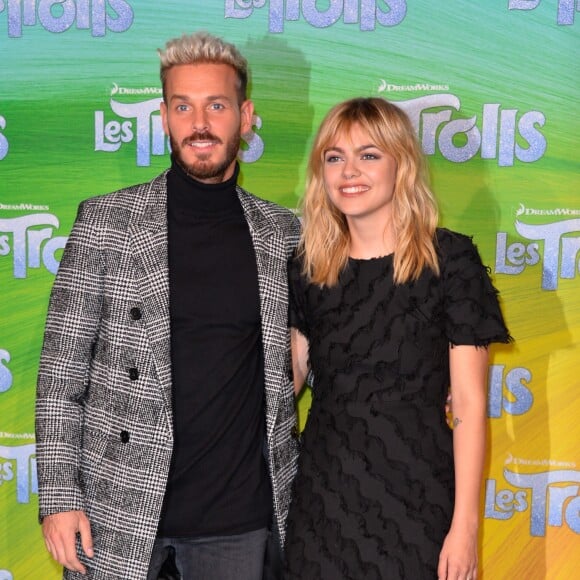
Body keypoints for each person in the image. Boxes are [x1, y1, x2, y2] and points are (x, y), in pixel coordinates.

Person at [35, 31, 300, 580]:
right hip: (119, 512)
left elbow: (325, 344)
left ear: (245, 117)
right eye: (183, 106)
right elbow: (62, 375)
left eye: (216, 106)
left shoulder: (284, 234)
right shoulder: (106, 222)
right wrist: (60, 497)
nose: (199, 123)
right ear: (163, 116)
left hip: (240, 521)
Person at [283, 97, 511, 580]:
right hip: (323, 506)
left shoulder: (448, 261)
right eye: (334, 156)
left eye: (368, 154)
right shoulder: (308, 270)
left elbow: (468, 404)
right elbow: (287, 382)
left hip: (418, 502)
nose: (349, 171)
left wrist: (465, 527)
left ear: (401, 165)